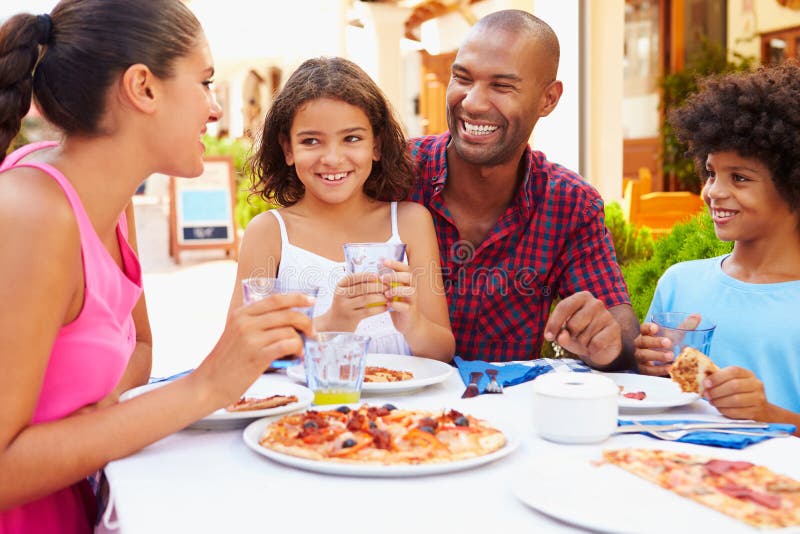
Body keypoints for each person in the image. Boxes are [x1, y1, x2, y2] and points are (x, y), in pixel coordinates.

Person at [0, 2, 312, 532]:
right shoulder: (30, 216)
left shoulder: (108, 201)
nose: (214, 109)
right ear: (143, 88)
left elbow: (140, 350)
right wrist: (208, 385)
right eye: (205, 81)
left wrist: (90, 425)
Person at [408, 10, 638, 367]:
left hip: (507, 414)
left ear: (548, 99)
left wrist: (606, 339)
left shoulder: (569, 203)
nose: (472, 101)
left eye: (501, 86)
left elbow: (619, 329)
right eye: (462, 78)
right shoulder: (394, 176)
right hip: (386, 410)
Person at [230, 57, 455, 361]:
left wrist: (412, 323)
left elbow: (442, 351)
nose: (333, 158)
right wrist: (332, 323)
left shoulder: (410, 223)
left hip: (404, 408)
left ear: (376, 144)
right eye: (311, 141)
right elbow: (238, 351)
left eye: (351, 138)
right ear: (288, 149)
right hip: (306, 406)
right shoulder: (270, 233)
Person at [634, 60, 800, 431]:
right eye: (711, 173)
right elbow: (656, 395)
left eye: (739, 178)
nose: (713, 192)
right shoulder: (679, 283)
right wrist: (649, 365)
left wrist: (771, 415)